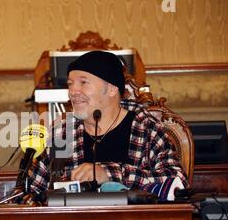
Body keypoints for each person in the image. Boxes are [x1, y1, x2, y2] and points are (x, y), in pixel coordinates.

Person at [27, 51, 188, 197]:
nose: (73, 91)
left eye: (83, 82)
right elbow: (32, 193)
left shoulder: (147, 129)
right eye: (70, 83)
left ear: (112, 89)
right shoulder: (61, 133)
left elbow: (178, 182)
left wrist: (109, 174)